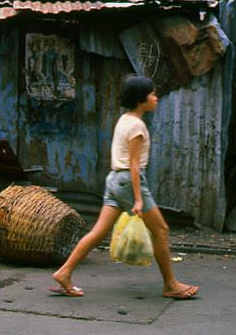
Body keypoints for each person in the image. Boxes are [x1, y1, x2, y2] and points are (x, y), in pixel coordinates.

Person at [51, 75, 199, 300]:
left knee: (98, 232)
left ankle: (64, 272)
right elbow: (133, 166)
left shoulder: (125, 119)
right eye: (152, 94)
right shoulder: (137, 126)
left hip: (114, 181)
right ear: (141, 99)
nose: (156, 98)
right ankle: (170, 284)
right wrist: (138, 199)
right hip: (128, 183)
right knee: (161, 230)